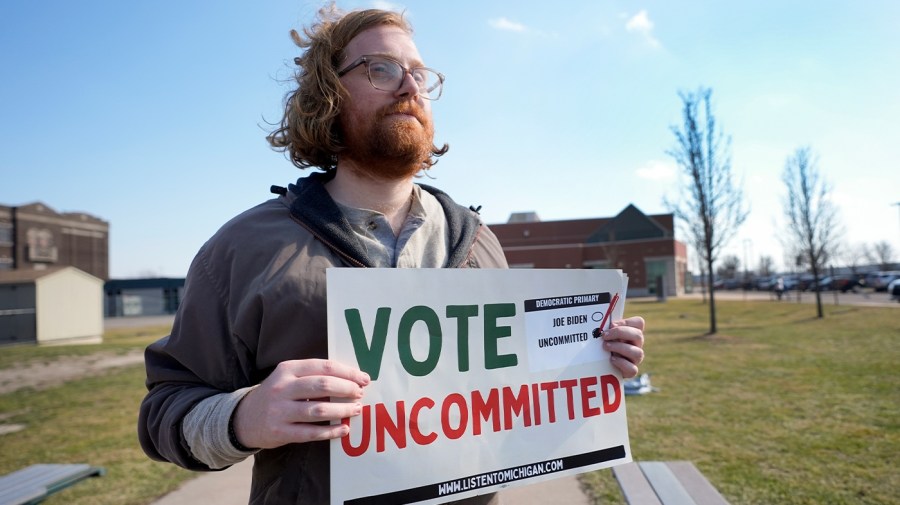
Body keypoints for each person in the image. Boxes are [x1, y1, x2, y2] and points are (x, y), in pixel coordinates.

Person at [137, 6, 646, 505]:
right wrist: (244, 418)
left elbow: (514, 391)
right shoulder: (244, 249)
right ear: (327, 94)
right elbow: (167, 410)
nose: (410, 87)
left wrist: (587, 361)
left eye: (420, 74)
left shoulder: (481, 242)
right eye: (380, 69)